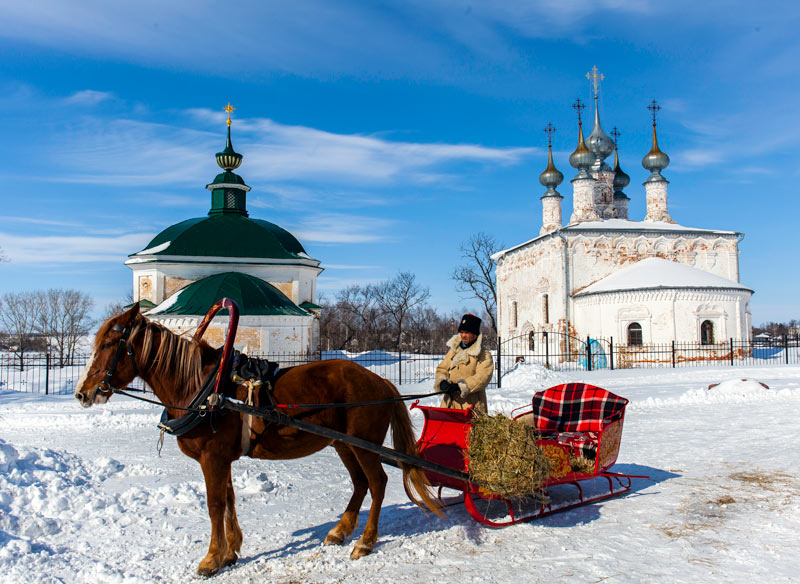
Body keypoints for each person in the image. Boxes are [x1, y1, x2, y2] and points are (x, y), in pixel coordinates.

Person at [434, 313, 494, 414]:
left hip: (472, 407)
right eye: (461, 332)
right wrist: (442, 381)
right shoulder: (454, 350)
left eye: (466, 332)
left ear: (475, 335)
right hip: (450, 404)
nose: (463, 335)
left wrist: (461, 386)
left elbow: (483, 377)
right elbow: (442, 369)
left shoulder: (483, 354)